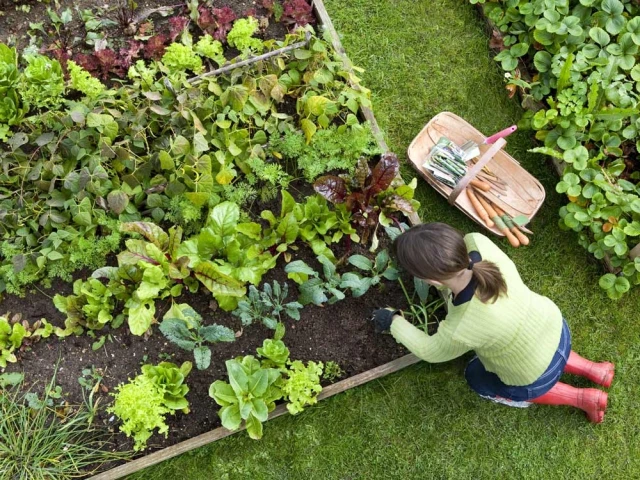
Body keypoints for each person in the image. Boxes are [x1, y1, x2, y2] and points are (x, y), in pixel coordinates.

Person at [371, 223, 615, 423]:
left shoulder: (462, 326)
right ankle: (595, 370)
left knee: (475, 377)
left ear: (432, 281)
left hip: (532, 374)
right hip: (555, 328)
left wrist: (392, 321)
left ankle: (582, 398)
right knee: (540, 347)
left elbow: (430, 351)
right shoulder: (478, 243)